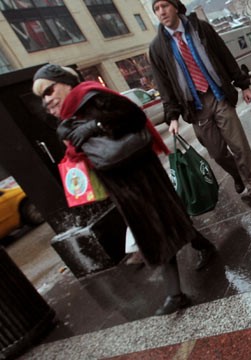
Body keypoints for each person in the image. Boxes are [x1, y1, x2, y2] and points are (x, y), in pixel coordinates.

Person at [32, 64, 217, 316]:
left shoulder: (94, 95)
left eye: (49, 90)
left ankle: (175, 294)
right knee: (167, 222)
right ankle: (203, 245)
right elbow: (81, 152)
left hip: (141, 173)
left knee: (157, 230)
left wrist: (96, 125)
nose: (47, 100)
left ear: (65, 82)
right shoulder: (66, 118)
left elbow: (135, 118)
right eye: (42, 97)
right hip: (119, 184)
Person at [148, 0, 251, 205]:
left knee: (239, 145)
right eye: (157, 9)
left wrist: (243, 84)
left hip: (218, 95)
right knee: (217, 153)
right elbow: (164, 85)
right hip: (195, 107)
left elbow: (224, 55)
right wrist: (173, 117)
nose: (161, 12)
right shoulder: (157, 48)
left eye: (165, 6)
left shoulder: (200, 28)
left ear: (175, 7)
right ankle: (238, 175)